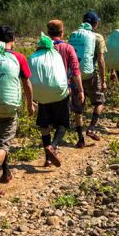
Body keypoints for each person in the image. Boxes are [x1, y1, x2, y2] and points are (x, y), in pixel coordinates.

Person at [0, 26, 35, 197]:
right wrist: (30, 104)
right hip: (7, 106)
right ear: (13, 40)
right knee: (3, 144)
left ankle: (6, 173)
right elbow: (27, 83)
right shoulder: (18, 57)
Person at [39, 20, 85, 166]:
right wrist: (81, 90)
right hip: (61, 90)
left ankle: (47, 159)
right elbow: (75, 71)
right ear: (62, 32)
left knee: (45, 124)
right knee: (63, 123)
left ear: (48, 32)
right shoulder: (67, 47)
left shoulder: (41, 48)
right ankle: (52, 147)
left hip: (43, 91)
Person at [76, 11, 109, 143]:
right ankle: (91, 128)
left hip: (75, 75)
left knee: (78, 108)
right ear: (95, 24)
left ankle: (80, 140)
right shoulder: (98, 37)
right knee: (99, 101)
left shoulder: (76, 35)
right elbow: (101, 60)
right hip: (91, 75)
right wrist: (104, 79)